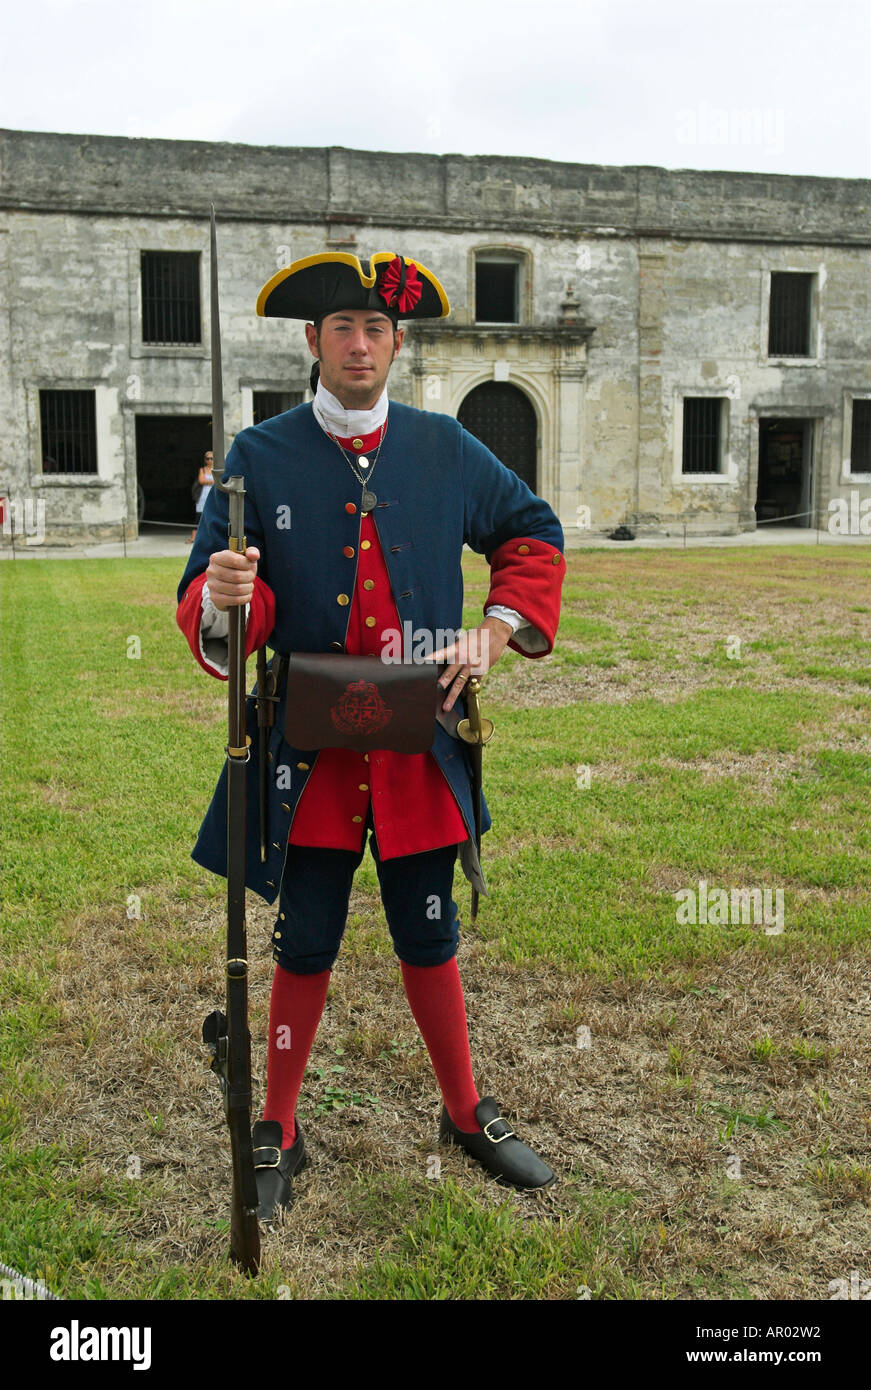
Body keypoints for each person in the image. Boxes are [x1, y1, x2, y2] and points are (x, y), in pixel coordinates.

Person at [176, 251, 565, 1220]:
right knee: (303, 940)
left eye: (377, 329)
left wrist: (496, 628)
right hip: (304, 753)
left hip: (416, 743)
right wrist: (229, 599)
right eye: (342, 328)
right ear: (312, 342)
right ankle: (277, 1122)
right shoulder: (256, 456)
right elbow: (217, 597)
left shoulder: (446, 446)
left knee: (427, 934)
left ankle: (466, 1112)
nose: (360, 344)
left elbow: (532, 531)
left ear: (397, 344)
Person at [190, 450, 214, 542]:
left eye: (211, 458)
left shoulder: (216, 469)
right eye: (208, 458)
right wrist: (213, 482)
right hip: (202, 496)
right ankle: (194, 537)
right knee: (199, 516)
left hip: (213, 496)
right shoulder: (202, 470)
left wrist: (208, 482)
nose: (210, 460)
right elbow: (201, 481)